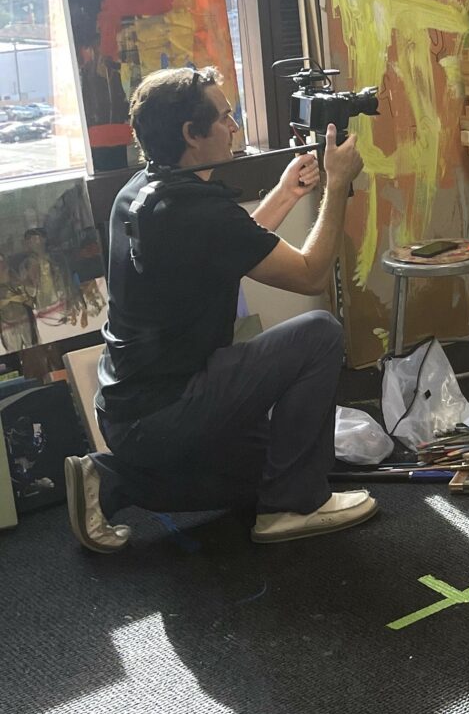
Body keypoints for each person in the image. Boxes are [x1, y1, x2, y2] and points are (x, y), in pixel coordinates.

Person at [64, 65, 378, 555]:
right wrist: (335, 185)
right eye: (225, 117)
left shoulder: (142, 191)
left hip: (131, 408)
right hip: (167, 409)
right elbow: (312, 274)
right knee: (319, 330)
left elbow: (225, 247)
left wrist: (286, 193)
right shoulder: (195, 210)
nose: (235, 127)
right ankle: (292, 507)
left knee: (267, 468)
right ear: (192, 134)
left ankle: (108, 482)